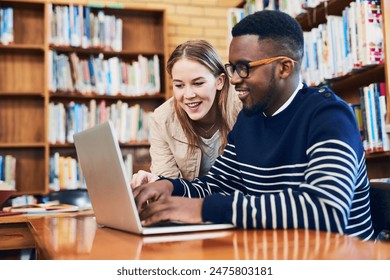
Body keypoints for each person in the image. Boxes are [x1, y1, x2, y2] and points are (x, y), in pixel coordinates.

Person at [133, 10, 374, 240]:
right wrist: (168, 186)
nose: (234, 79)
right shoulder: (249, 119)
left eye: (244, 68)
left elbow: (326, 210)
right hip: (281, 255)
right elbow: (217, 186)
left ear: (284, 68)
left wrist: (203, 209)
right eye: (232, 68)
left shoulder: (330, 116)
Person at [131, 40, 241, 186]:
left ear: (219, 81)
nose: (188, 95)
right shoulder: (162, 119)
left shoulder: (243, 106)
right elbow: (169, 187)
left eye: (198, 83)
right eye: (179, 85)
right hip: (190, 205)